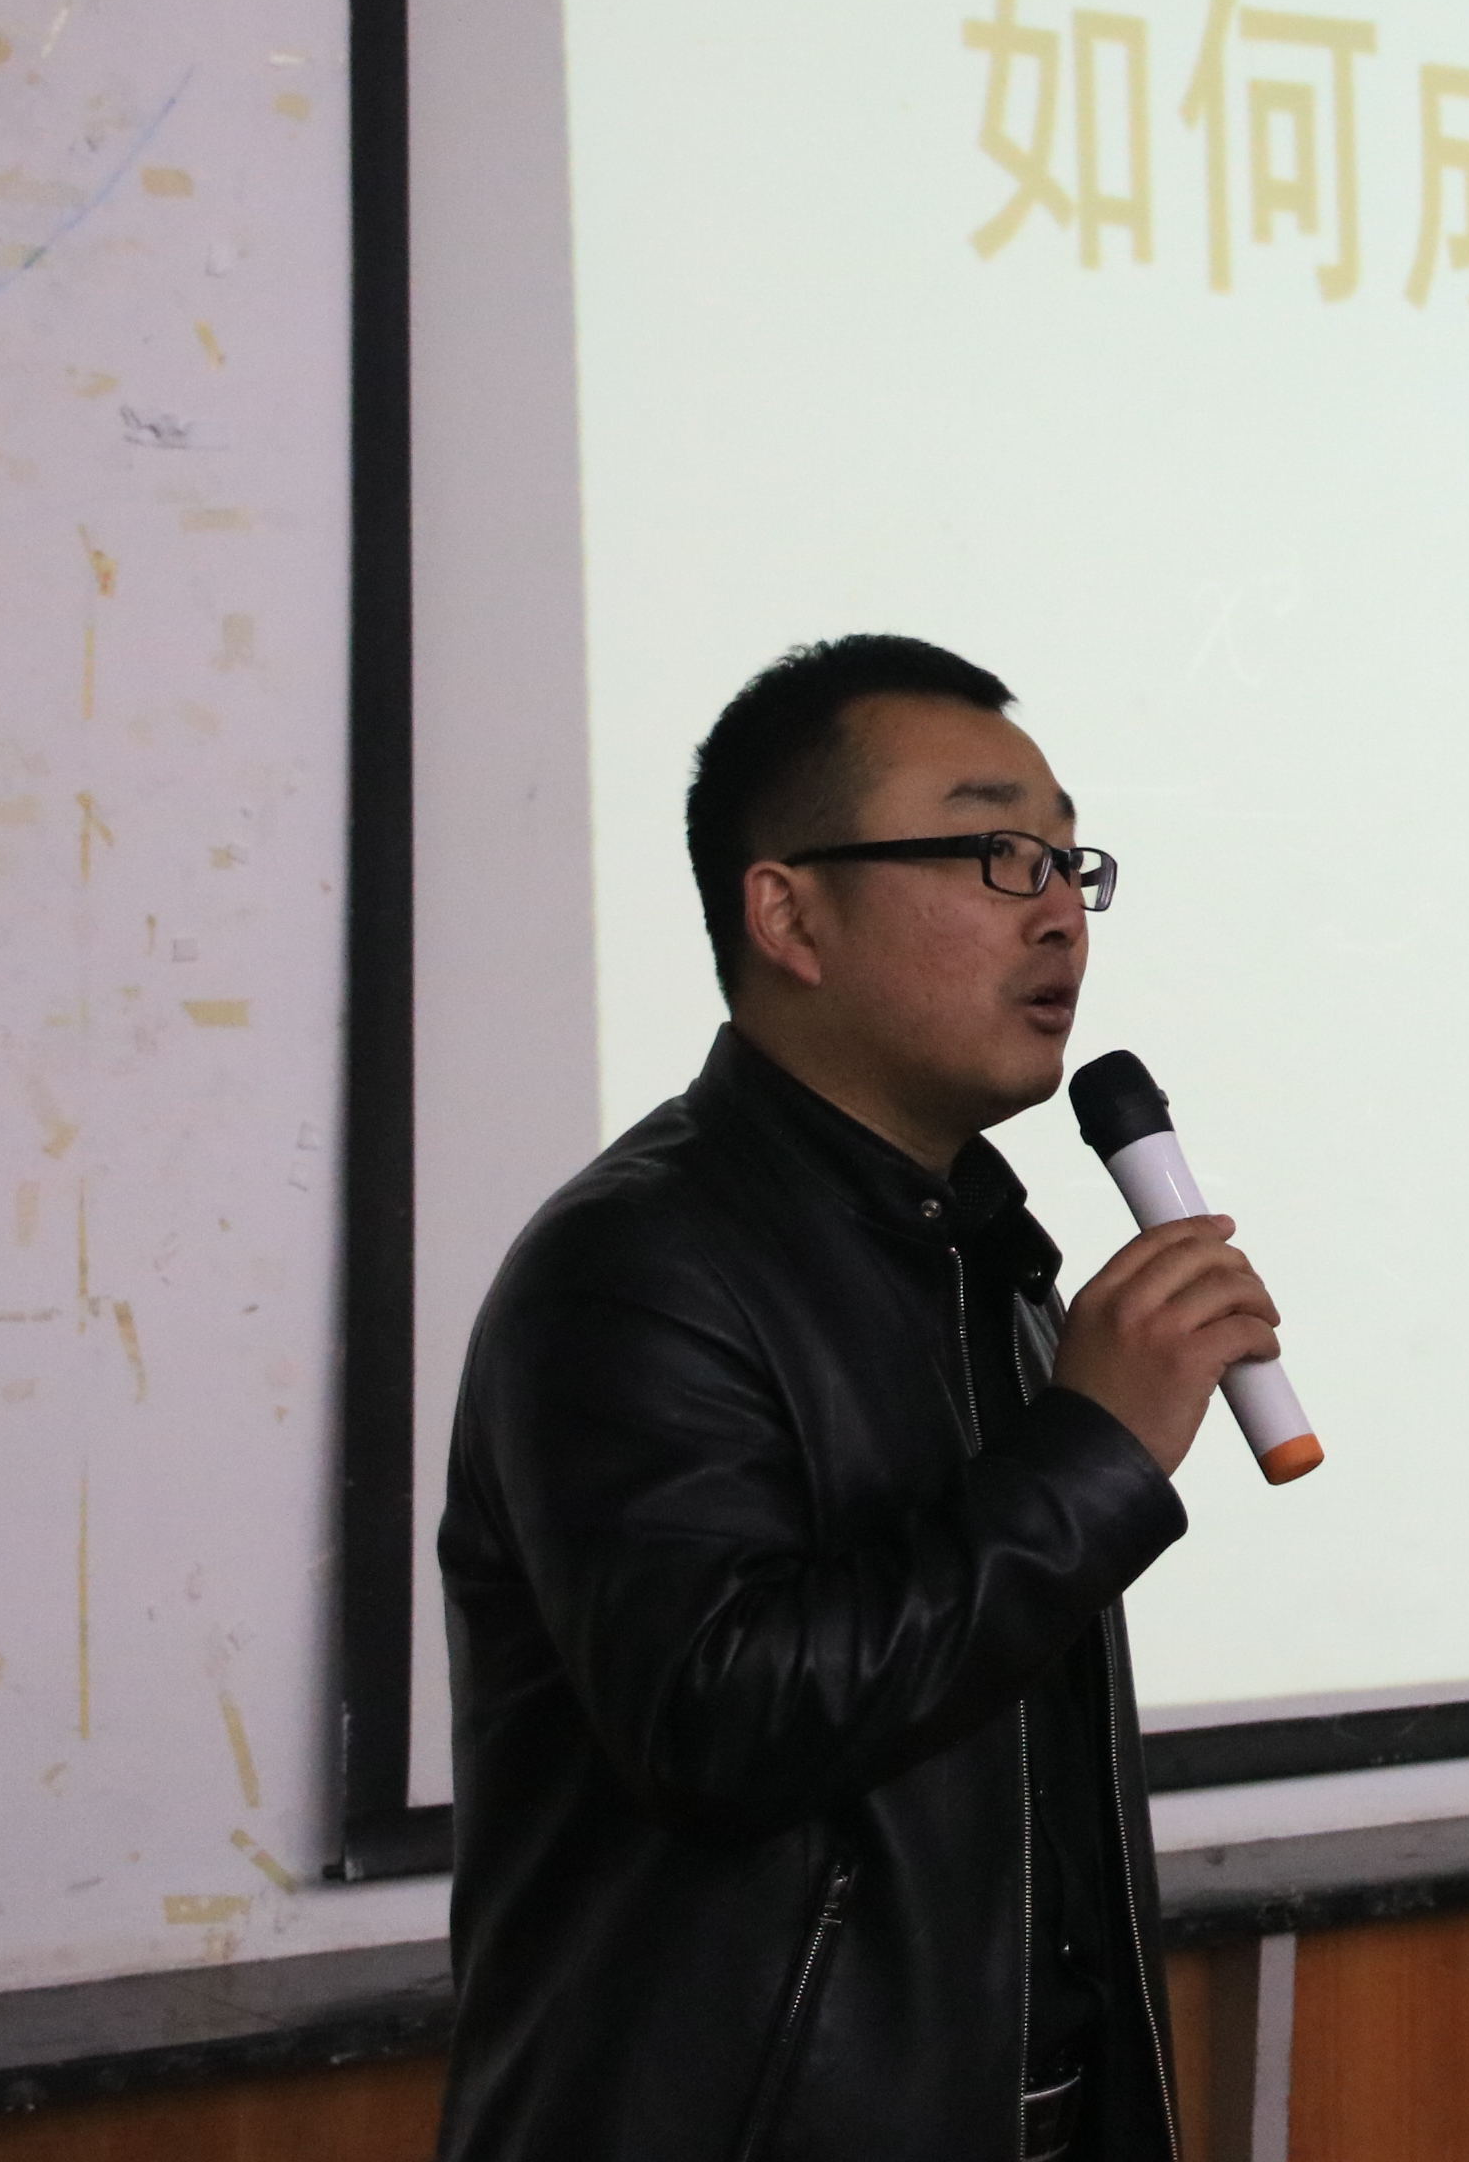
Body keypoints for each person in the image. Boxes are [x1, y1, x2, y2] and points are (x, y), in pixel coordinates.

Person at [434, 635, 1281, 2162]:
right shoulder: (633, 1268)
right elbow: (722, 1725)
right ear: (790, 915)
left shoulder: (987, 1257)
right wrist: (1091, 1452)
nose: (1056, 912)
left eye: (1069, 862)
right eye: (994, 853)